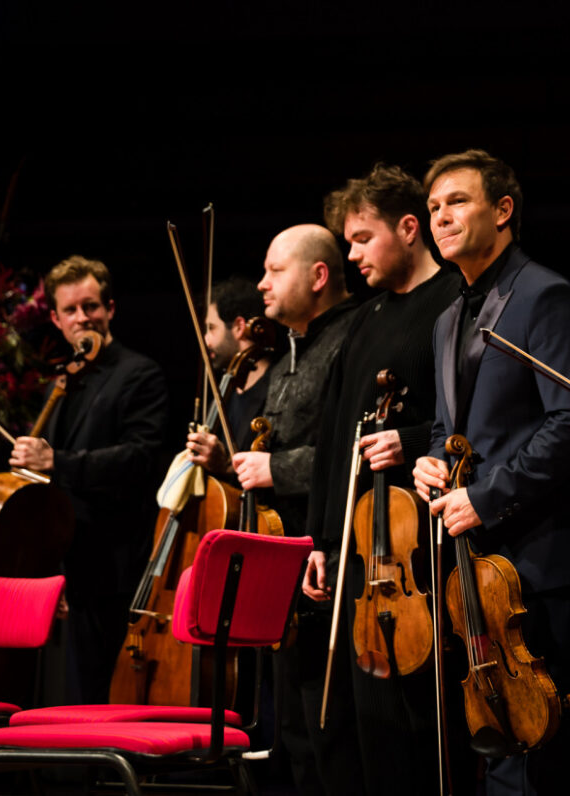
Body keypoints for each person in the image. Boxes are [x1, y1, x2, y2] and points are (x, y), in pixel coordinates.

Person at [412, 149, 570, 795]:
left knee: (542, 747)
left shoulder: (544, 295)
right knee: (497, 740)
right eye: (434, 206)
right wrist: (434, 465)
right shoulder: (449, 314)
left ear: (503, 211)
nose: (441, 216)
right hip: (481, 559)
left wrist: (486, 496)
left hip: (546, 552)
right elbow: (462, 432)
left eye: (457, 201)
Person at [302, 163, 461, 795]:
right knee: (350, 735)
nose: (351, 254)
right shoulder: (362, 321)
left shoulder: (452, 302)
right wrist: (317, 541)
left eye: (363, 238)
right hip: (354, 554)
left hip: (413, 553)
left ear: (409, 228)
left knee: (410, 733)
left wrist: (414, 438)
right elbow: (332, 441)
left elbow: (463, 423)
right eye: (347, 241)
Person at [9, 255, 168, 704]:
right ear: (57, 320)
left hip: (119, 560)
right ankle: (82, 775)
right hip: (72, 560)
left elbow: (140, 459)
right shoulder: (62, 383)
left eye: (92, 306)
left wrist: (55, 460)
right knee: (79, 694)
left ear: (111, 308)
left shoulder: (139, 374)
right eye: (72, 311)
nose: (84, 318)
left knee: (116, 691)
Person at [238, 224, 360, 795]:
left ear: (317, 276)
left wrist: (276, 469)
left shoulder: (350, 339)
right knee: (286, 722)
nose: (262, 285)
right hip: (277, 558)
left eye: (274, 271)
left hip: (326, 555)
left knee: (321, 727)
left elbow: (351, 452)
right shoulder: (287, 349)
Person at [187, 276, 277, 469]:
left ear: (238, 327)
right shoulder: (225, 393)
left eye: (211, 328)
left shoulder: (276, 390)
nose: (206, 340)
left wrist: (225, 465)